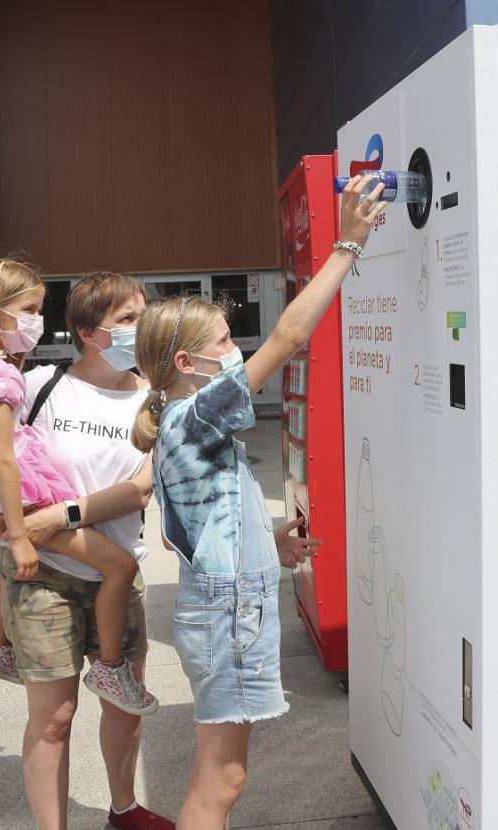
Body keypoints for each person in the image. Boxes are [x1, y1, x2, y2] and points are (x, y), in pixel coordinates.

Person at [131, 175, 383, 829]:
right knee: (222, 783)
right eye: (222, 343)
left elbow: (194, 533)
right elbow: (291, 337)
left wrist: (269, 546)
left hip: (215, 613)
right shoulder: (198, 413)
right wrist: (346, 247)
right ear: (188, 361)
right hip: (222, 624)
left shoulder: (177, 422)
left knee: (218, 775)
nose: (234, 349)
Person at [0, 272, 173, 830]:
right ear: (86, 331)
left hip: (119, 575)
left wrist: (62, 515)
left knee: (124, 708)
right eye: (126, 320)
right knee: (53, 719)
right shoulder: (38, 386)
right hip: (44, 576)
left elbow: (143, 487)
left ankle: (123, 809)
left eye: (143, 316)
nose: (140, 328)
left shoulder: (157, 397)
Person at [0, 258, 157, 716]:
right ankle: (110, 667)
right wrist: (19, 532)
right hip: (24, 504)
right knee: (117, 565)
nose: (35, 321)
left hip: (2, 495)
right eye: (126, 319)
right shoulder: (14, 379)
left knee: (16, 562)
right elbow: (1, 457)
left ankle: (0, 647)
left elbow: (142, 489)